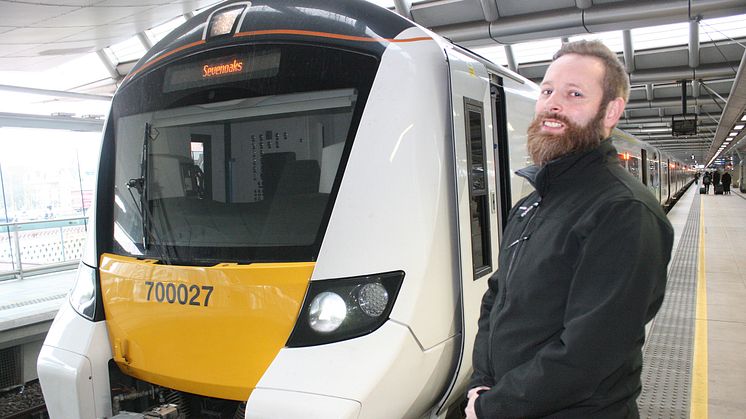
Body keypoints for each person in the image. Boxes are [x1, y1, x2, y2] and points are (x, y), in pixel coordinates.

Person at [466, 40, 673, 419]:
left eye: (574, 93)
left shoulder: (623, 211)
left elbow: (590, 352)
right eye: (547, 91)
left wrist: (492, 407)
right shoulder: (533, 202)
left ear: (611, 111)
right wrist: (481, 381)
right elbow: (497, 298)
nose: (553, 104)